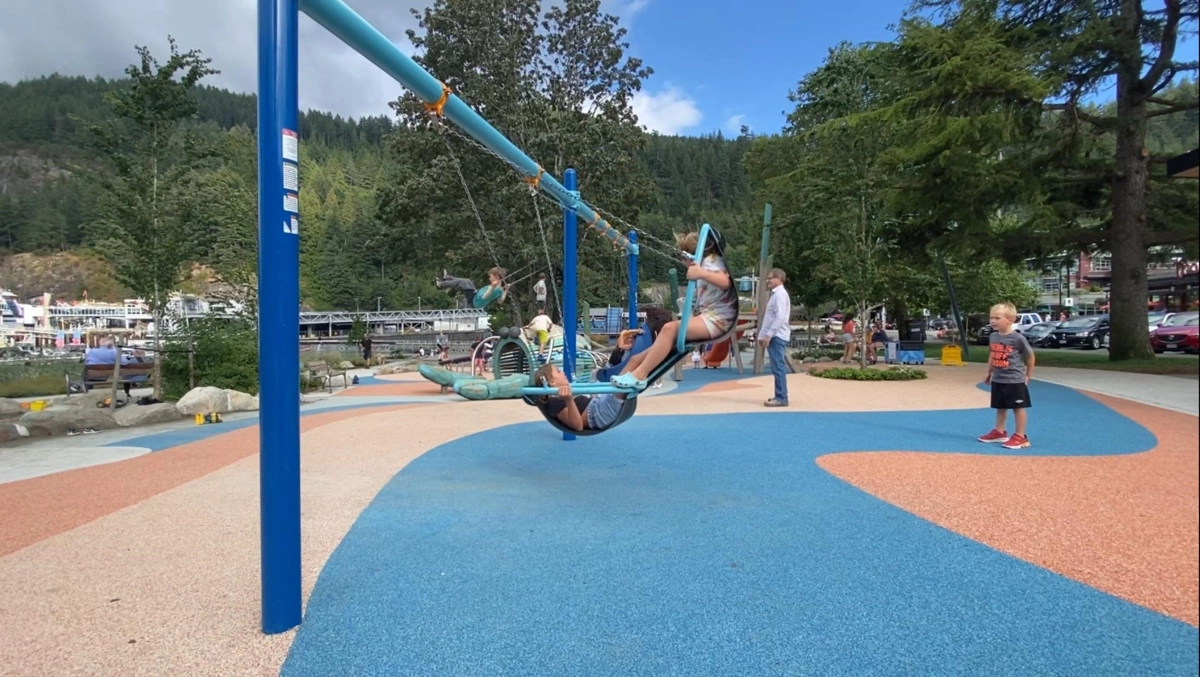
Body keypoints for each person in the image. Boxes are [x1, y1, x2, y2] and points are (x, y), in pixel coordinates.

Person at [610, 228, 738, 390]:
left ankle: (639, 375)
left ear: (690, 255)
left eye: (682, 257)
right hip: (710, 317)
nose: (682, 262)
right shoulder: (706, 265)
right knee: (637, 358)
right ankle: (610, 395)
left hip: (718, 320)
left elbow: (726, 282)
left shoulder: (710, 261)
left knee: (669, 329)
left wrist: (700, 273)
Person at [978, 302, 1036, 450]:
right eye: (991, 318)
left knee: (1018, 408)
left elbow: (1030, 356)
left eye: (997, 318)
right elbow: (993, 354)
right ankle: (999, 432)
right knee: (1000, 407)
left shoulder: (1017, 338)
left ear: (1010, 319)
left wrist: (1028, 375)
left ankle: (1020, 436)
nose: (992, 321)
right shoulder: (993, 337)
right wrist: (988, 372)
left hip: (1014, 379)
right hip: (998, 378)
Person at [532, 363, 630, 432]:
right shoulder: (554, 402)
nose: (562, 372)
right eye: (558, 372)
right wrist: (569, 400)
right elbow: (578, 427)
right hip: (598, 413)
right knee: (632, 365)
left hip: (599, 408)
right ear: (552, 382)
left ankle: (623, 352)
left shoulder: (561, 395)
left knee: (631, 365)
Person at [595, 306, 673, 383]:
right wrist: (619, 349)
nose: (633, 335)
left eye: (637, 335)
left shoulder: (638, 358)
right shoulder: (633, 352)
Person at [758, 268, 791, 407]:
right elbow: (769, 318)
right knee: (776, 366)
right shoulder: (776, 295)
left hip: (777, 336)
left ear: (778, 278)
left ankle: (782, 397)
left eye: (770, 278)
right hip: (774, 335)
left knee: (778, 366)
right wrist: (762, 335)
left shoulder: (780, 295)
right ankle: (779, 395)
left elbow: (780, 317)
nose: (768, 281)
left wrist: (769, 335)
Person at [436, 267, 508, 309]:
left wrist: (492, 287)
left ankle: (441, 284)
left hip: (474, 301)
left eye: (490, 277)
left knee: (464, 282)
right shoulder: (500, 289)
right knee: (468, 281)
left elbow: (484, 297)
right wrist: (506, 290)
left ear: (497, 277)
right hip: (475, 295)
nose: (489, 279)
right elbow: (500, 301)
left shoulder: (495, 288)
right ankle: (447, 278)